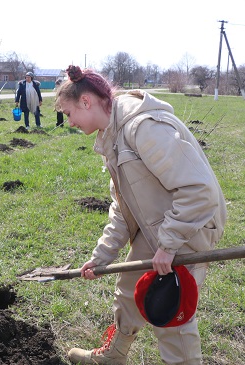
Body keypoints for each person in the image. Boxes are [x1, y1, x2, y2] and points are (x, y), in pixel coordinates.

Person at [55, 65, 227, 365]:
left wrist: (169, 244)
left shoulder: (144, 128)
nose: (68, 122)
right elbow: (125, 207)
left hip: (191, 223)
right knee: (129, 285)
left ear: (86, 102)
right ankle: (114, 355)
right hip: (159, 223)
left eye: (68, 114)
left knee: (171, 310)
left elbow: (199, 190)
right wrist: (102, 256)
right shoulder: (113, 135)